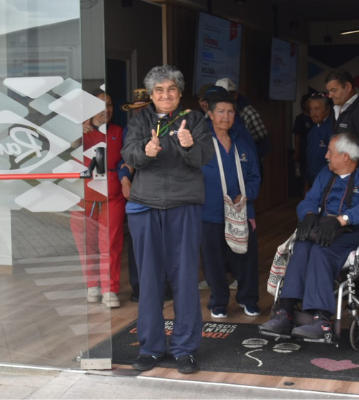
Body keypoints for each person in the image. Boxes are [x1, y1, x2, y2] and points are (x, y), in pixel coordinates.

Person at [121, 65, 214, 374]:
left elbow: (204, 157)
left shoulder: (196, 119)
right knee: (149, 279)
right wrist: (146, 151)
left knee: (185, 278)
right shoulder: (139, 120)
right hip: (145, 206)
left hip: (183, 205)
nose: (165, 95)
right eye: (159, 90)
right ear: (151, 95)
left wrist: (189, 144)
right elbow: (129, 154)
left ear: (179, 92)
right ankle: (150, 348)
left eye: (171, 89)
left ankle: (185, 349)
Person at [259, 132, 359, 339]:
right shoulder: (326, 174)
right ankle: (285, 312)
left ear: (346, 156)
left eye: (330, 152)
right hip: (324, 229)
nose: (326, 155)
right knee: (300, 246)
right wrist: (308, 214)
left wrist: (342, 220)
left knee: (320, 252)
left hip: (356, 232)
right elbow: (309, 200)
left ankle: (321, 319)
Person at [200, 93, 262, 319]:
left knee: (245, 256)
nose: (226, 116)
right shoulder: (201, 141)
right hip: (210, 211)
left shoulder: (242, 139)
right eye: (221, 111)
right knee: (213, 259)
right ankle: (218, 302)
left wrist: (247, 195)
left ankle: (248, 299)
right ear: (210, 114)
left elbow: (255, 176)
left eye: (230, 112)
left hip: (241, 210)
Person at [69, 90, 126, 309]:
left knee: (110, 242)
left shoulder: (119, 131)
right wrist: (75, 134)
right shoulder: (77, 131)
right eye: (100, 105)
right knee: (86, 241)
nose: (106, 110)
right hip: (83, 193)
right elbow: (59, 153)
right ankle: (92, 284)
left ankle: (109, 288)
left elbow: (126, 161)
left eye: (109, 105)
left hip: (112, 193)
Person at [119, 88, 151, 302]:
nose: (140, 112)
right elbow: (124, 160)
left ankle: (163, 284)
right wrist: (124, 178)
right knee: (136, 241)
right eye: (136, 109)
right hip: (138, 188)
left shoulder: (164, 126)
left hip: (161, 189)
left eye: (144, 108)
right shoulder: (129, 129)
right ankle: (138, 285)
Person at [215, 78, 269, 181]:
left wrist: (247, 162)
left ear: (235, 95)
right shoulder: (211, 114)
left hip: (244, 172)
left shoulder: (247, 112)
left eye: (227, 95)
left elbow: (263, 143)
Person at [324, 70, 359, 162]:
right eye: (329, 91)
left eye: (334, 90)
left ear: (348, 87)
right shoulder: (336, 108)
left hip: (355, 173)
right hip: (341, 171)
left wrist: (357, 174)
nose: (330, 95)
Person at [304, 92, 333, 187]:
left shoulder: (333, 129)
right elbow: (309, 158)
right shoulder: (312, 131)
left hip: (328, 182)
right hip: (314, 181)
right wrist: (306, 182)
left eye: (317, 109)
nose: (313, 113)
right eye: (311, 110)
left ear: (327, 110)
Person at [291, 93, 312, 193]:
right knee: (305, 170)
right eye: (308, 102)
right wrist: (297, 151)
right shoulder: (300, 118)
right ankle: (305, 190)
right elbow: (296, 135)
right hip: (304, 149)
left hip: (315, 149)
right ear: (303, 104)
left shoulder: (315, 117)